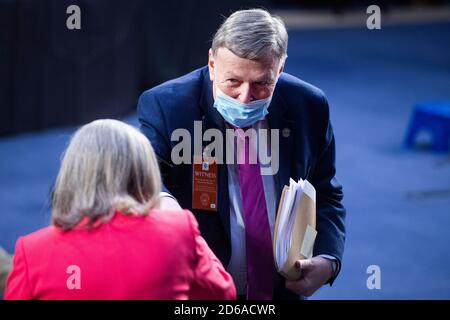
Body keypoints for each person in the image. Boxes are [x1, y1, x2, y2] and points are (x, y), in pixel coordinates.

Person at [138, 9, 346, 300]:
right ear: (212, 64)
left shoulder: (309, 105)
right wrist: (164, 204)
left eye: (262, 83)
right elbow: (145, 176)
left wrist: (328, 259)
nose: (245, 97)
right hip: (200, 291)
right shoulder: (168, 106)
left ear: (281, 69)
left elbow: (325, 192)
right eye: (233, 81)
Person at [4, 119, 236, 300]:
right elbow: (223, 294)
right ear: (144, 173)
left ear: (72, 176)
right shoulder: (178, 230)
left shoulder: (32, 250)